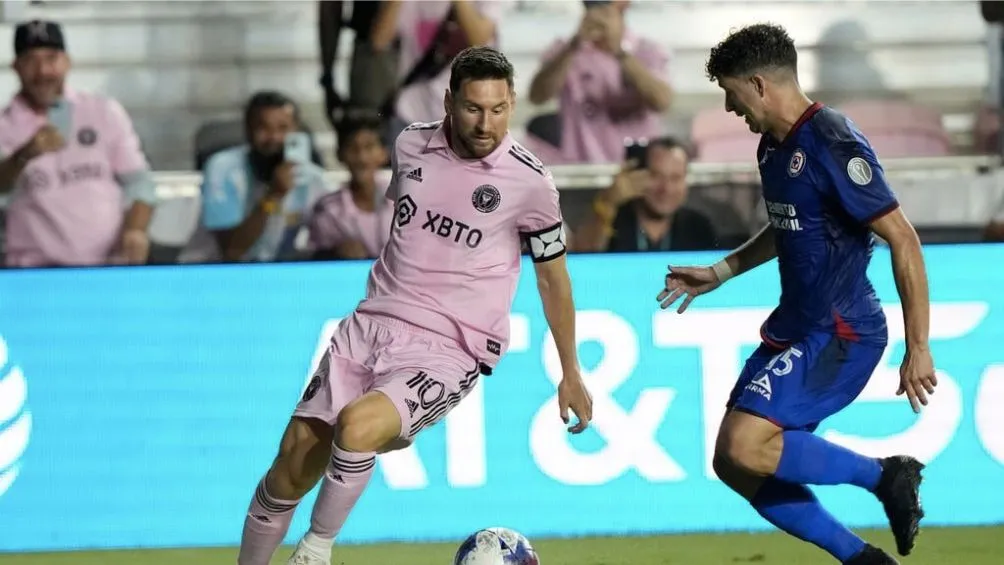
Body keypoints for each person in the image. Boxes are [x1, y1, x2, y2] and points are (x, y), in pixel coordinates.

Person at [237, 46, 593, 565]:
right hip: (370, 325)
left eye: (498, 109)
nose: (486, 123)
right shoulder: (410, 145)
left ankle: (315, 551)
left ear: (512, 102)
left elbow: (554, 281)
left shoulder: (531, 182)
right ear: (449, 101)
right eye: (473, 108)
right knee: (289, 465)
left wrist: (571, 371)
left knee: (358, 426)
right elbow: (408, 231)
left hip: (450, 345)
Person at [657, 24, 933, 565]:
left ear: (759, 84)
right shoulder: (772, 148)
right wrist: (723, 271)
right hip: (797, 325)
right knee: (734, 462)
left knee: (745, 444)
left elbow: (903, 236)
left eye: (732, 93)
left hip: (843, 330)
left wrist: (918, 344)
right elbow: (789, 226)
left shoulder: (832, 139)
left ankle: (886, 475)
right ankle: (864, 560)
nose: (731, 109)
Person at [0, 19, 158, 267]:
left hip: (107, 267)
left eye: (51, 58)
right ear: (16, 67)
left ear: (67, 62)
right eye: (31, 61)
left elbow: (139, 183)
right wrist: (25, 154)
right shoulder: (4, 124)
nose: (43, 71)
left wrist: (136, 230)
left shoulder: (103, 112)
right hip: (33, 272)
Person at [200, 91, 329, 263]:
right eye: (263, 128)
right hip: (211, 273)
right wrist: (273, 195)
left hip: (279, 275)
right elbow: (232, 251)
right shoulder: (223, 167)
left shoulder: (312, 178)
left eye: (283, 128)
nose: (274, 137)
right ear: (248, 130)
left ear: (296, 130)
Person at [309, 116, 394, 260]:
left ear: (383, 153)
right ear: (340, 154)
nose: (362, 157)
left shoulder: (404, 198)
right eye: (353, 148)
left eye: (369, 147)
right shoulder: (328, 209)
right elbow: (318, 260)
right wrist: (335, 252)